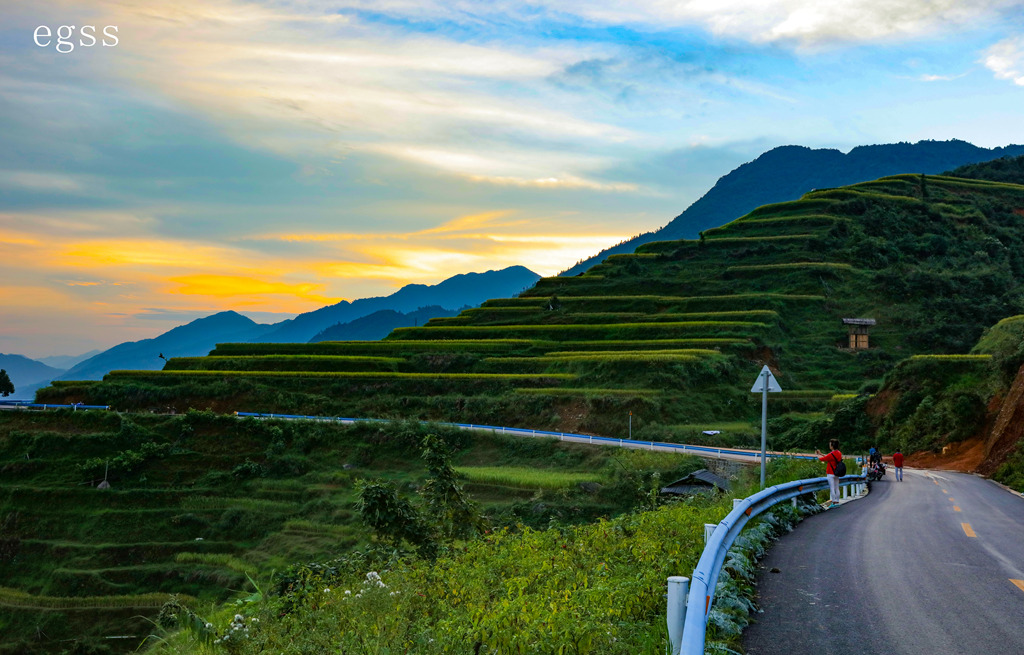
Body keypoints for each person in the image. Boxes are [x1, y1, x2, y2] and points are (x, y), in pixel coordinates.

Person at [815, 439, 843, 506]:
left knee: (832, 488)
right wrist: (821, 453)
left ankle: (833, 502)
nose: (829, 445)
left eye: (830, 444)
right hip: (837, 472)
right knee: (837, 488)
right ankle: (837, 501)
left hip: (830, 473)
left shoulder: (831, 454)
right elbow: (829, 457)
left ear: (832, 446)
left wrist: (817, 455)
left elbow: (823, 459)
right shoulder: (839, 453)